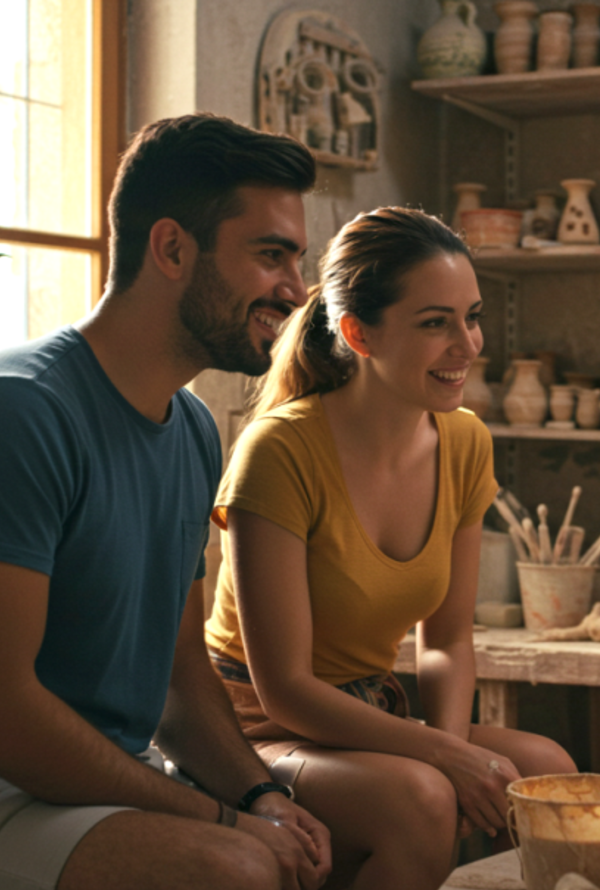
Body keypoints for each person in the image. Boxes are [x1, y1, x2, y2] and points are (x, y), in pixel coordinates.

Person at [0, 113, 334, 890]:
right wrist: (218, 821)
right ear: (172, 248)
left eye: (296, 258)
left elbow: (180, 672)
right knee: (236, 868)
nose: (295, 288)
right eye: (270, 255)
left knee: (297, 842)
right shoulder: (12, 414)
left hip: (101, 785)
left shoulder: (193, 431)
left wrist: (259, 796)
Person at [204, 206, 576, 889]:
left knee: (551, 773)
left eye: (472, 316)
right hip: (257, 735)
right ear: (358, 333)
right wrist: (442, 759)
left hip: (372, 714)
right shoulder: (280, 450)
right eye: (435, 323)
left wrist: (457, 747)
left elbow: (447, 642)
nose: (467, 344)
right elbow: (284, 689)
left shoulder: (464, 441)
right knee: (422, 799)